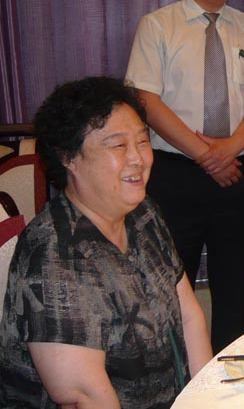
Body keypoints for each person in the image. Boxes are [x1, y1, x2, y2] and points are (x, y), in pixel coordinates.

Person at [0, 77, 212, 408]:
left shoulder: (143, 214)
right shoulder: (55, 256)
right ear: (69, 157)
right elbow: (82, 397)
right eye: (117, 146)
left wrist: (205, 399)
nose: (138, 159)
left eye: (142, 142)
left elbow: (188, 316)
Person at [126, 0, 244, 352]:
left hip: (236, 174)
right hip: (175, 175)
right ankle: (173, 382)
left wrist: (230, 148)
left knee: (233, 287)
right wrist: (206, 154)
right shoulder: (158, 26)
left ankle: (232, 379)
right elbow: (145, 99)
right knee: (171, 283)